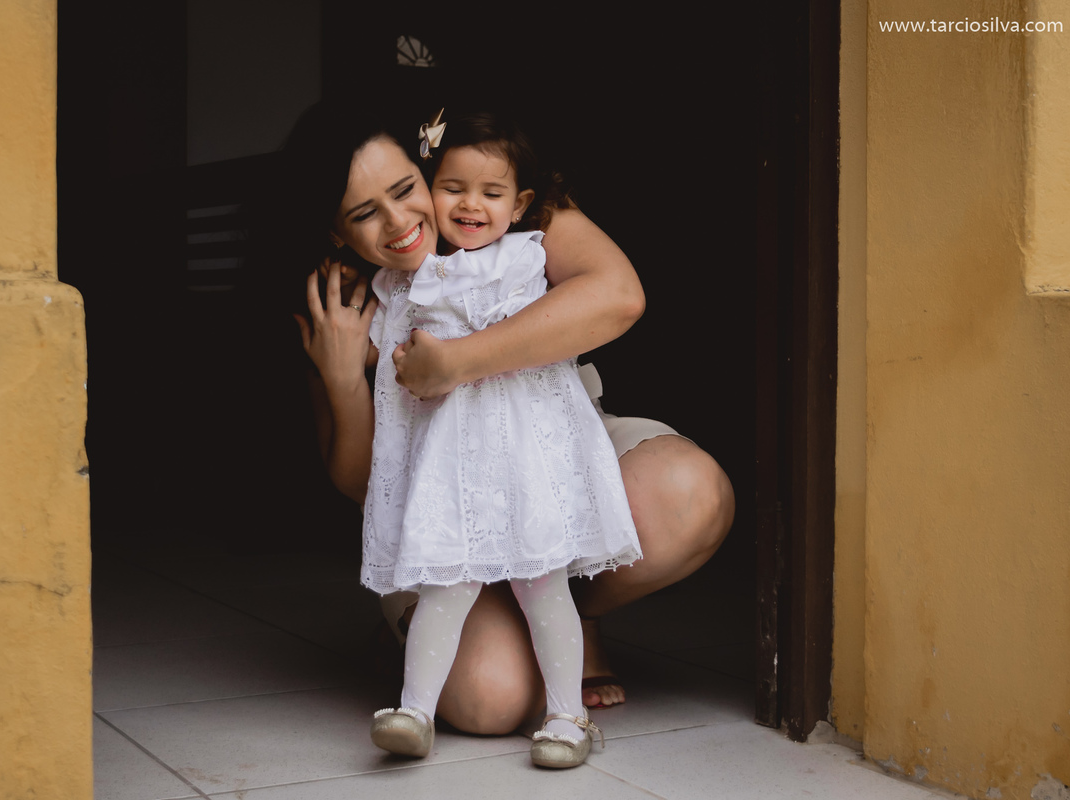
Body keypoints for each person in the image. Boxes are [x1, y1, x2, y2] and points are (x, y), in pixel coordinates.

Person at [277, 100, 735, 735]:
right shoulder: (349, 295)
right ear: (335, 230)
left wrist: (456, 363)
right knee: (490, 702)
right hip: (434, 510)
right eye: (363, 213)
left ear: (427, 164)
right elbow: (359, 482)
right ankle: (457, 639)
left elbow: (620, 295)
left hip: (548, 450)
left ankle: (571, 615)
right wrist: (338, 375)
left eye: (408, 189)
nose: (400, 221)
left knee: (692, 495)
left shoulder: (498, 202)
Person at [362, 112, 640, 767]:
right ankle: (414, 711)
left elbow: (598, 305)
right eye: (452, 186)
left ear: (520, 207)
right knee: (445, 580)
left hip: (527, 453)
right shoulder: (412, 275)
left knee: (545, 585)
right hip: (454, 461)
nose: (470, 204)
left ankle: (567, 717)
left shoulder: (531, 256)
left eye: (492, 193)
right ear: (427, 190)